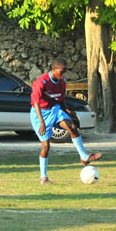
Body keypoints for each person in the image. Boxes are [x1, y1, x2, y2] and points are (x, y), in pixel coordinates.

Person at [30, 57, 101, 185]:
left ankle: (84, 156)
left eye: (65, 72)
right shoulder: (41, 82)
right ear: (53, 69)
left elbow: (61, 99)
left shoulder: (62, 82)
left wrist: (67, 110)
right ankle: (43, 177)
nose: (63, 75)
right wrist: (41, 122)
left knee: (72, 127)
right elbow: (35, 103)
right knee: (46, 146)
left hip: (55, 110)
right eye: (61, 72)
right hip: (40, 113)